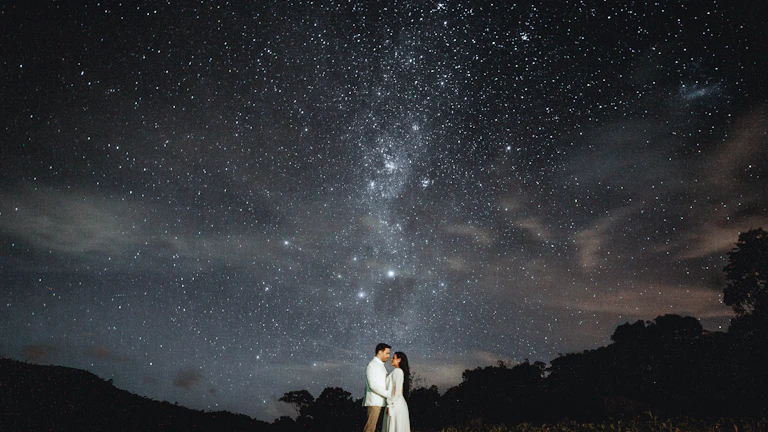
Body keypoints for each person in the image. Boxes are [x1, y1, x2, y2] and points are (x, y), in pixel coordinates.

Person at [363, 343, 390, 432]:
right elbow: (372, 385)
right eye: (387, 353)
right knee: (370, 429)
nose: (388, 356)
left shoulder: (381, 365)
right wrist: (388, 394)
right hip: (375, 402)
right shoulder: (372, 365)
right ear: (380, 352)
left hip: (382, 402)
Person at [382, 351, 411, 432]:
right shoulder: (399, 372)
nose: (391, 359)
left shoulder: (397, 371)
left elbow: (396, 390)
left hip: (395, 404)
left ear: (399, 360)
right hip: (398, 403)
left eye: (394, 358)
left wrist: (390, 404)